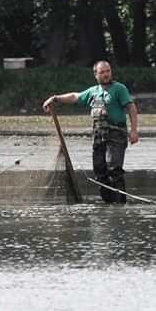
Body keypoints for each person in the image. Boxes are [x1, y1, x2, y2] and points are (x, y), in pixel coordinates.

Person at [43, 60, 138, 203]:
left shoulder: (119, 89)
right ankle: (108, 206)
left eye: (108, 71)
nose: (106, 74)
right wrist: (55, 98)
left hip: (116, 139)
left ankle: (120, 208)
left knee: (114, 171)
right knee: (100, 173)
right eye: (102, 72)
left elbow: (131, 107)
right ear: (96, 74)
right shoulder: (93, 92)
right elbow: (75, 96)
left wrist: (134, 130)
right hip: (99, 140)